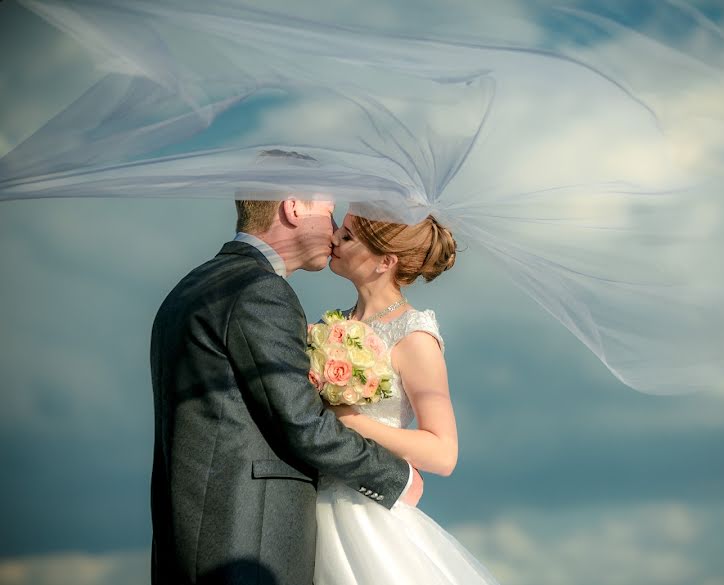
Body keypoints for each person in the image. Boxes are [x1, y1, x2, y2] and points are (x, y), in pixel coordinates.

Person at [149, 198, 423, 585]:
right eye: (329, 211)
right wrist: (396, 477)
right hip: (246, 545)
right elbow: (302, 421)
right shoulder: (259, 289)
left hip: (190, 543)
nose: (333, 228)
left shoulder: (190, 287)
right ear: (294, 208)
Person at [312, 210, 500, 584]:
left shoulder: (414, 337)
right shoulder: (330, 328)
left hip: (365, 515)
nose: (333, 238)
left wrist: (353, 423)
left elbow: (443, 452)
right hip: (308, 505)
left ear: (386, 261)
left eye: (347, 236)